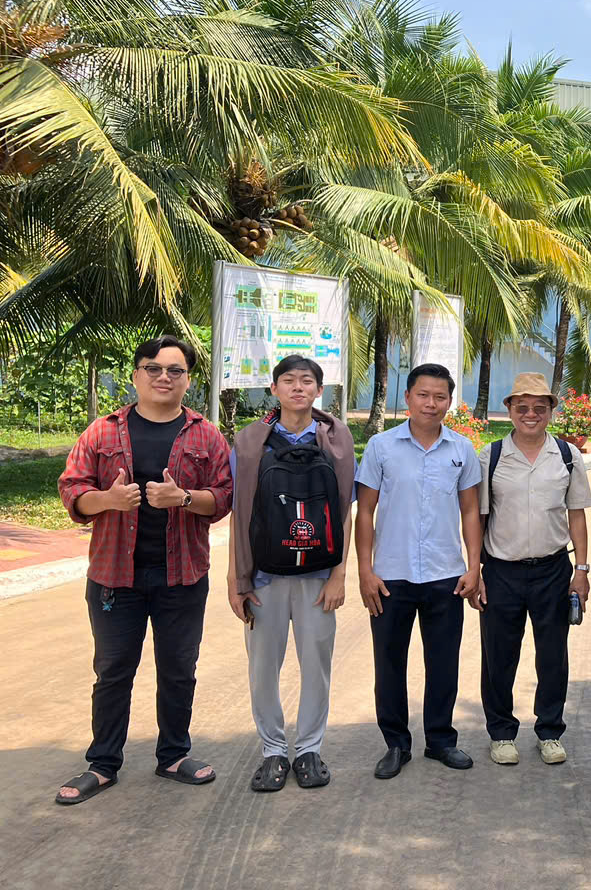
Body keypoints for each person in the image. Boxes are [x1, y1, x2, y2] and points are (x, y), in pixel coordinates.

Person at [54, 336, 233, 805]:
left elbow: (224, 496)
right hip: (116, 577)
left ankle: (173, 754)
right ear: (136, 375)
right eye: (154, 368)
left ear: (188, 380)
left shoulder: (205, 435)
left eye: (175, 370)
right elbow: (73, 489)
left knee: (178, 669)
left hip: (183, 575)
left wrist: (185, 499)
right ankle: (103, 763)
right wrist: (108, 500)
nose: (163, 377)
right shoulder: (102, 432)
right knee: (113, 670)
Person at [227, 355, 355, 791]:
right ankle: (272, 751)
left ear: (319, 390)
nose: (298, 387)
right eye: (288, 380)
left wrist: (339, 576)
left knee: (316, 663)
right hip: (265, 575)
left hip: (318, 575)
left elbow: (343, 512)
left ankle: (309, 749)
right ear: (274, 389)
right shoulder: (249, 442)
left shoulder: (336, 439)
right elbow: (240, 514)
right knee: (263, 666)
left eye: (307, 381)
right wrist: (237, 580)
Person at [355, 363, 484, 778]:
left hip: (446, 574)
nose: (432, 404)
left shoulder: (461, 449)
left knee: (443, 662)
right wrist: (365, 571)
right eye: (423, 395)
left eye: (440, 396)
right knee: (389, 662)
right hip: (390, 575)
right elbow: (366, 512)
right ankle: (395, 743)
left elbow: (470, 512)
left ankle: (441, 741)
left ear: (450, 401)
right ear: (408, 397)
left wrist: (474, 566)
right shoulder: (381, 446)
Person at [477, 372, 591, 766]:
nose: (530, 414)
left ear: (550, 412)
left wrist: (582, 569)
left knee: (552, 655)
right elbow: (477, 519)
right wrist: (475, 570)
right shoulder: (490, 457)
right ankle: (502, 733)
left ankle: (549, 731)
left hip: (553, 570)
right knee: (498, 656)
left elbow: (577, 516)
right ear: (509, 410)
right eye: (522, 407)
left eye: (539, 408)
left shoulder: (566, 455)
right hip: (500, 571)